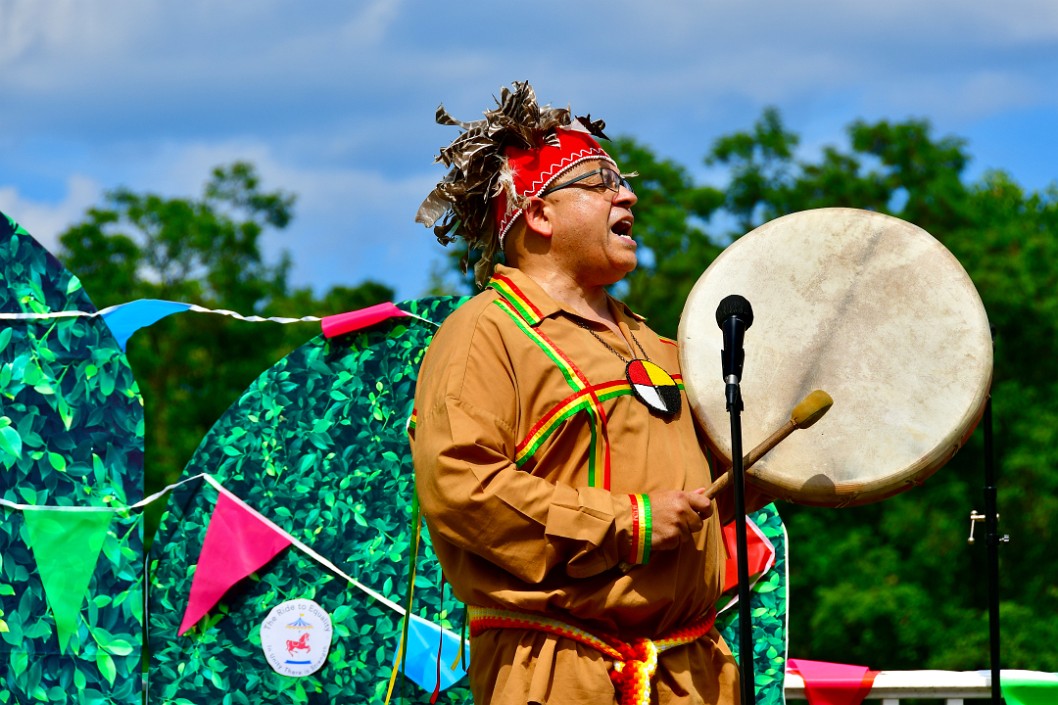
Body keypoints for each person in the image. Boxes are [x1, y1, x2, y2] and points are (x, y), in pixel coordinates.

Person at [410, 81, 764, 705]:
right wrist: (626, 522)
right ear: (538, 213)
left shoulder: (656, 344)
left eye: (620, 179)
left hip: (693, 672)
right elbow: (459, 486)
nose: (626, 192)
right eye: (598, 181)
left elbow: (711, 489)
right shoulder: (484, 333)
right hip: (560, 669)